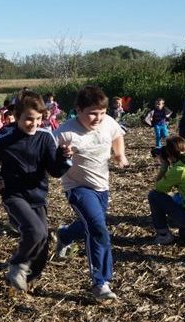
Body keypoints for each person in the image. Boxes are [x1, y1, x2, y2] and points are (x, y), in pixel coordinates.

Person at [0, 91, 73, 291]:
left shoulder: (45, 137)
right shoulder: (6, 137)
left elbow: (54, 171)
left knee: (42, 243)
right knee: (35, 231)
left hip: (38, 195)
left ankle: (27, 279)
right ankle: (17, 264)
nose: (34, 123)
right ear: (17, 116)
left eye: (38, 118)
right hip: (13, 193)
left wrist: (64, 157)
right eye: (28, 119)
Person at [54, 85, 129, 300]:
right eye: (92, 113)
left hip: (101, 186)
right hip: (77, 187)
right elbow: (48, 154)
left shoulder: (109, 123)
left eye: (102, 113)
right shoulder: (65, 132)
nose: (98, 118)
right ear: (78, 110)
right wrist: (62, 154)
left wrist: (119, 154)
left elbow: (117, 136)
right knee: (98, 228)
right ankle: (100, 282)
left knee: (91, 224)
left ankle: (65, 234)